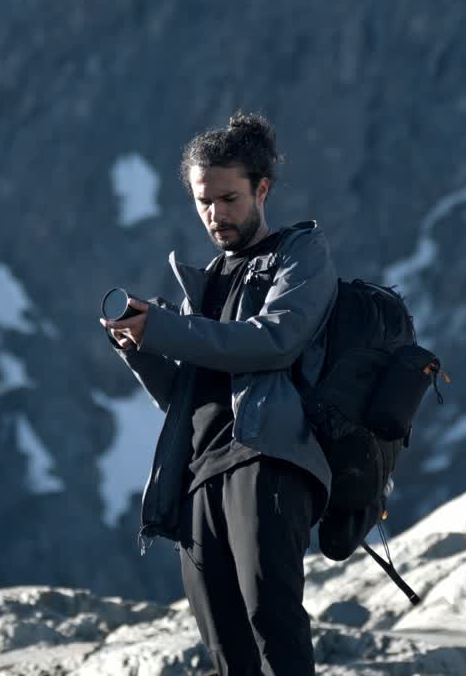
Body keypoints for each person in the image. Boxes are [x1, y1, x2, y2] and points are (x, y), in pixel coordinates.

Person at [100, 111, 336, 675]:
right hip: (198, 472)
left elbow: (275, 341)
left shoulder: (300, 253)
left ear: (262, 189)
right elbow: (184, 395)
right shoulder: (205, 283)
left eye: (229, 198)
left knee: (272, 623)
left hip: (265, 458)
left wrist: (164, 329)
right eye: (204, 201)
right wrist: (140, 347)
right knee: (224, 642)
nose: (215, 214)